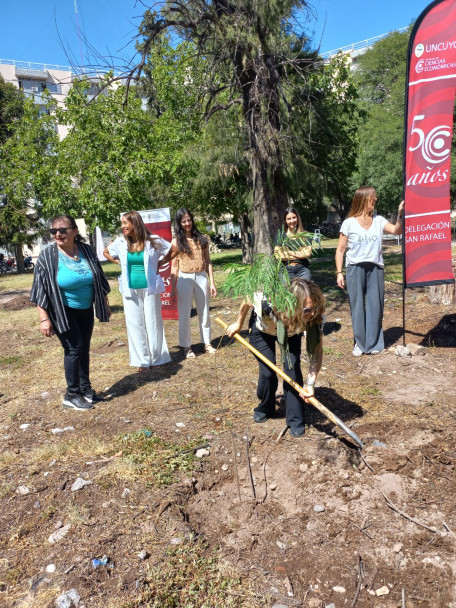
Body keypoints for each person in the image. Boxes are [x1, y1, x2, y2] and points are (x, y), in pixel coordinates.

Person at [30, 215, 111, 410]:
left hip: (85, 308)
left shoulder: (86, 250)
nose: (57, 234)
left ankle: (85, 389)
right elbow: (39, 288)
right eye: (53, 231)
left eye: (62, 230)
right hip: (61, 310)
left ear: (75, 231)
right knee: (74, 348)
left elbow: (98, 278)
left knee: (84, 348)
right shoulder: (48, 256)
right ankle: (71, 394)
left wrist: (105, 303)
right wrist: (44, 319)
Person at [226, 278, 325, 437]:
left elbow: (317, 352)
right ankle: (265, 407)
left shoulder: (313, 316)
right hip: (263, 331)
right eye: (307, 310)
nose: (312, 313)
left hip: (291, 333)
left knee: (292, 371)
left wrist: (311, 384)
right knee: (267, 372)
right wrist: (238, 324)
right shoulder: (266, 302)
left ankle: (295, 419)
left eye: (314, 308)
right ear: (293, 306)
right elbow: (246, 300)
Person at [335, 186, 404, 357]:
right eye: (373, 197)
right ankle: (360, 344)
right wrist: (339, 272)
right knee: (357, 307)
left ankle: (373, 344)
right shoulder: (349, 223)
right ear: (363, 199)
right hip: (354, 268)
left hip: (375, 268)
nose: (375, 200)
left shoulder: (379, 220)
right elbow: (340, 250)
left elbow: (397, 230)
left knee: (375, 306)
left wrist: (400, 213)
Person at [103, 211, 174, 372]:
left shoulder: (153, 240)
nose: (122, 226)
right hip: (130, 290)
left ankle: (157, 358)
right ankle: (142, 361)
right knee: (135, 325)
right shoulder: (121, 242)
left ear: (135, 223)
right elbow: (106, 252)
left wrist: (159, 262)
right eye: (121, 223)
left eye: (125, 223)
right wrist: (117, 262)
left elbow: (173, 250)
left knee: (153, 322)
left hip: (150, 289)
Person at [170, 207, 217, 358]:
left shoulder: (202, 238)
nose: (187, 223)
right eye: (183, 221)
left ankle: (207, 343)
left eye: (189, 220)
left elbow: (208, 261)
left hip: (201, 276)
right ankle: (186, 346)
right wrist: (172, 288)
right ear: (179, 223)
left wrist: (212, 282)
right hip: (184, 278)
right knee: (184, 313)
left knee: (204, 312)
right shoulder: (176, 242)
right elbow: (174, 266)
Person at [274, 207, 312, 281]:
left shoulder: (305, 235)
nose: (292, 221)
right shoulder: (280, 236)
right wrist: (299, 253)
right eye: (289, 219)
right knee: (288, 291)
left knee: (305, 290)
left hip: (303, 269)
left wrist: (288, 252)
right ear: (285, 221)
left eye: (294, 217)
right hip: (286, 269)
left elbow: (307, 253)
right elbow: (278, 255)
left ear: (297, 218)